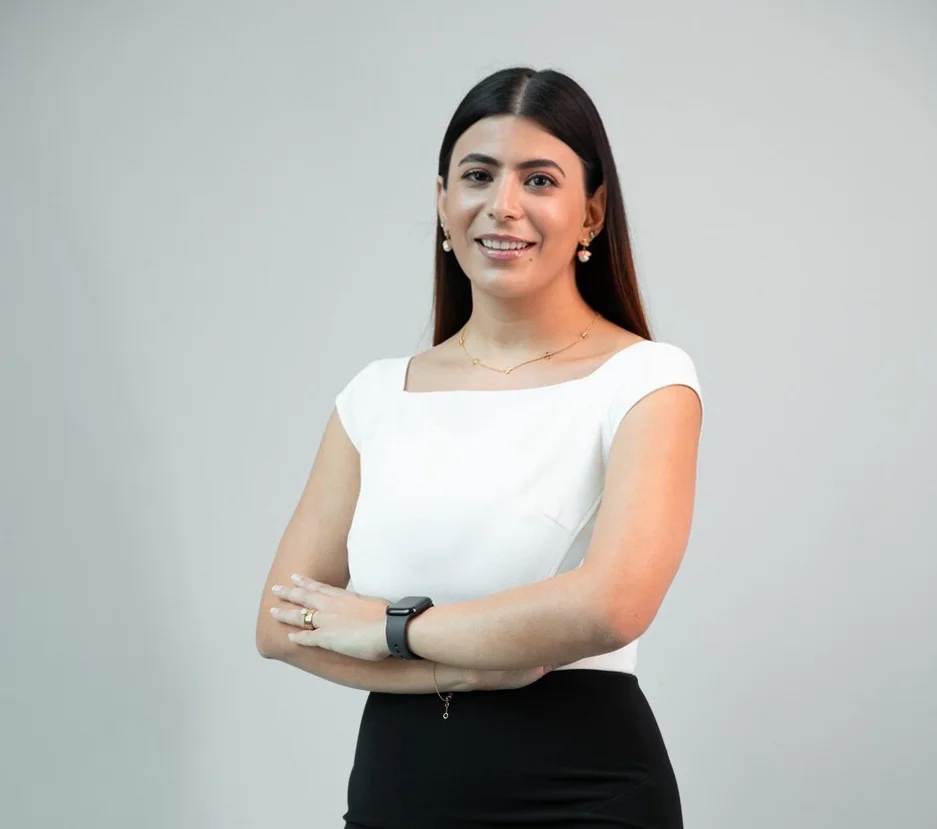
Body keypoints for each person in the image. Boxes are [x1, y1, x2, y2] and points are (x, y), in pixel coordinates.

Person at [255, 66, 704, 828]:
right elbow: (280, 625)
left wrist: (386, 627)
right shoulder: (374, 395)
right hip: (399, 794)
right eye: (477, 174)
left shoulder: (646, 377)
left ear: (591, 211)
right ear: (441, 201)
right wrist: (457, 667)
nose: (503, 205)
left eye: (539, 179)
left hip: (585, 793)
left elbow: (612, 604)